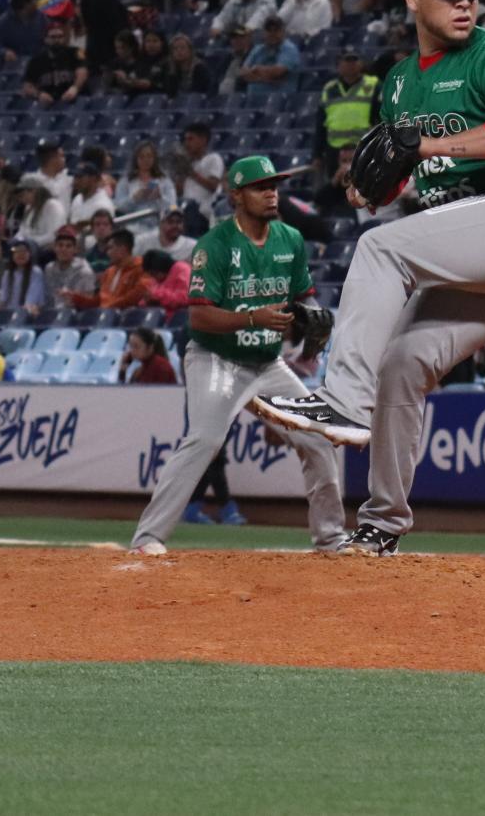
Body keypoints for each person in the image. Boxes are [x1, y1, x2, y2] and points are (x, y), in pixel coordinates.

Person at [251, 0, 485, 558]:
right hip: (481, 237)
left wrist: (432, 148)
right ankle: (383, 527)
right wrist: (371, 187)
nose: (465, 2)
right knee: (403, 360)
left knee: (379, 251)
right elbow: (404, 178)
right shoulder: (400, 84)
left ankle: (342, 401)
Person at [128, 155, 347, 557]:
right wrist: (251, 318)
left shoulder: (290, 239)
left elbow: (303, 297)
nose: (270, 193)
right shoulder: (215, 245)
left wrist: (312, 318)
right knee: (205, 439)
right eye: (260, 187)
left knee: (318, 437)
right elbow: (199, 316)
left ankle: (331, 539)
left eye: (274, 186)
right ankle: (147, 539)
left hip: (267, 364)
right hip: (216, 359)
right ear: (236, 196)